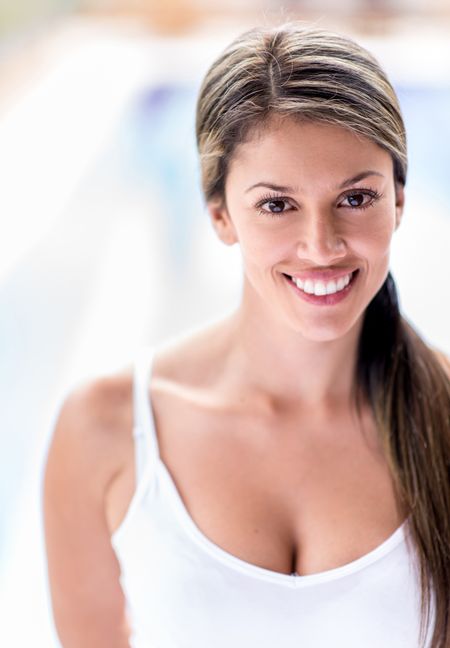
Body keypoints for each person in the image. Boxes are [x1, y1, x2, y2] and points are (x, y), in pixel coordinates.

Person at [43, 22, 450, 648]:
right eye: (277, 205)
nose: (321, 245)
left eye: (356, 197)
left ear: (398, 201)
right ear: (220, 215)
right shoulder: (106, 431)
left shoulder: (443, 411)